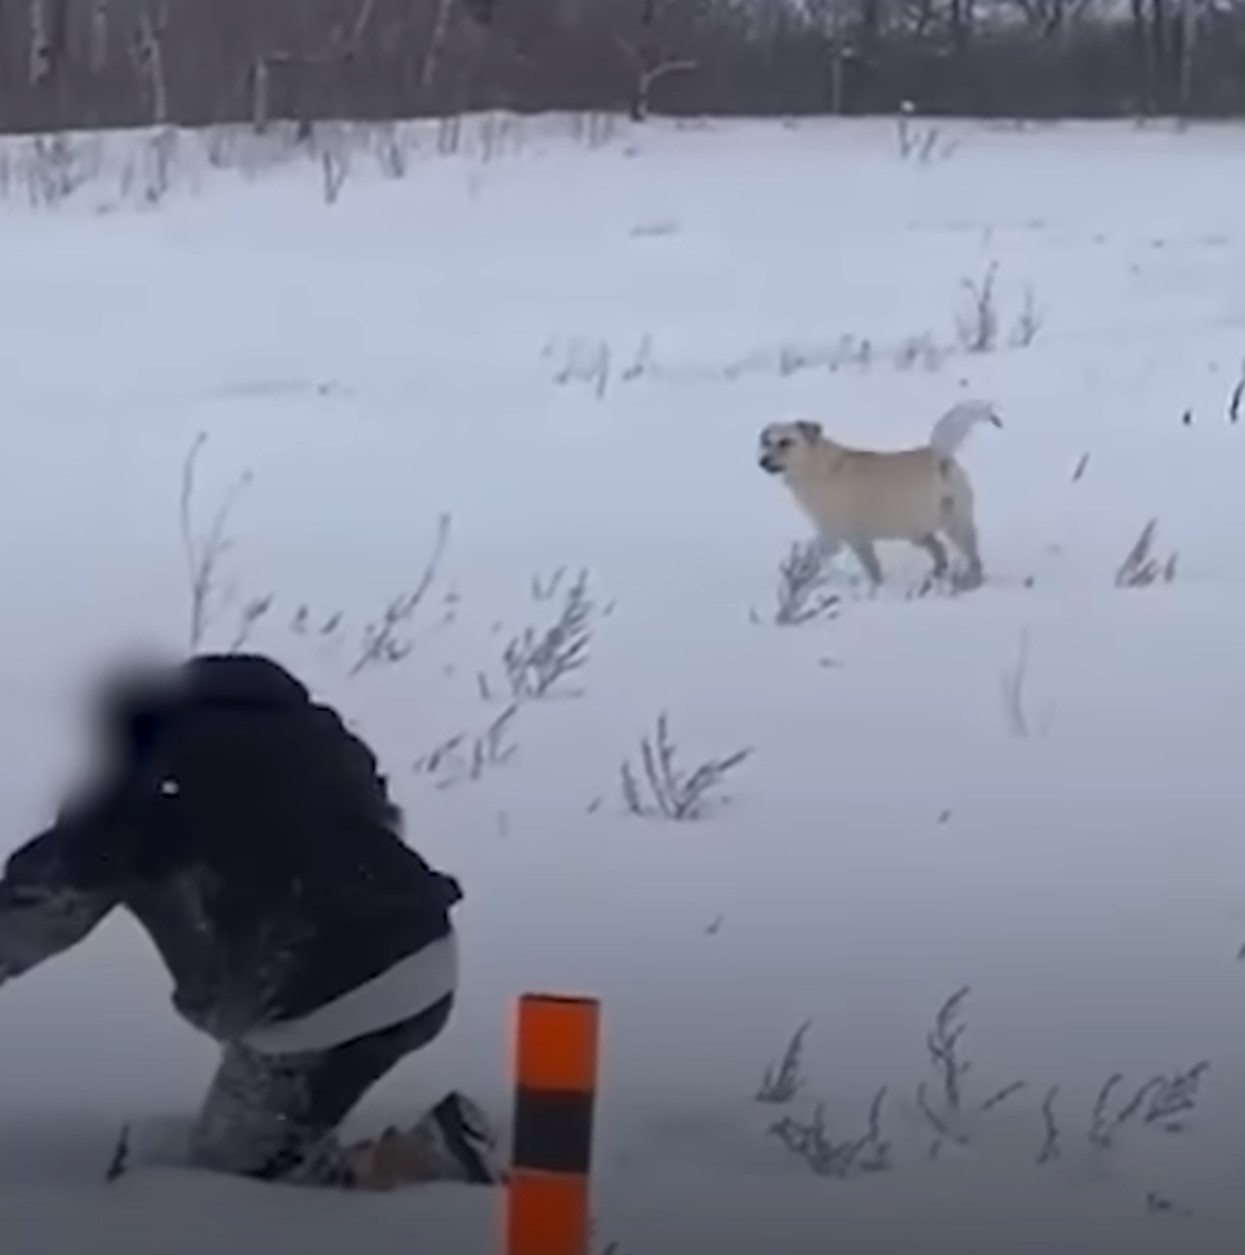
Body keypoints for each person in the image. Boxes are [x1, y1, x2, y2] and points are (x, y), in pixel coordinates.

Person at [0, 652, 500, 1189]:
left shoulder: (162, 768)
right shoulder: (328, 755)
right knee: (287, 1101)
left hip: (314, 997)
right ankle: (354, 1141)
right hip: (426, 965)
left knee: (235, 1173)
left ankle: (434, 1160)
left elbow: (67, 873)